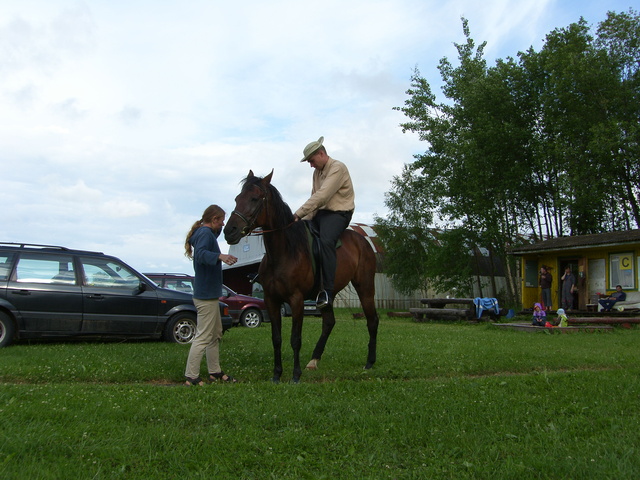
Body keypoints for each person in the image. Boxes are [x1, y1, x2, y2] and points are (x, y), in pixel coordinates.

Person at [293, 136, 355, 309]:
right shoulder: (317, 173)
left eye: (311, 161)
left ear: (321, 154)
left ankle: (327, 290)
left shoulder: (338, 168)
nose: (311, 165)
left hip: (339, 213)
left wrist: (297, 214)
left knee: (327, 241)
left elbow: (322, 196)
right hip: (320, 213)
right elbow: (315, 198)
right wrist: (300, 221)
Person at [183, 205, 238, 386]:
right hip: (205, 296)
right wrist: (220, 257)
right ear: (214, 219)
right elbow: (201, 255)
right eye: (221, 220)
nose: (223, 223)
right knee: (204, 336)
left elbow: (210, 242)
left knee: (215, 335)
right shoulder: (205, 234)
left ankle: (214, 372)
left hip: (208, 295)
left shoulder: (203, 234)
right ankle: (191, 376)